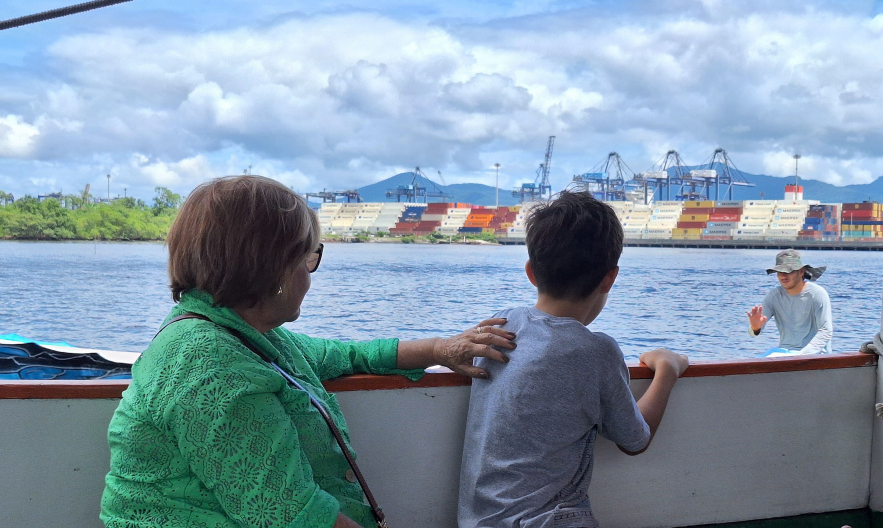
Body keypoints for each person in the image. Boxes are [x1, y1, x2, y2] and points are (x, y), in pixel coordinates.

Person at [100, 175, 517, 528]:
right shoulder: (209, 365)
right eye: (308, 258)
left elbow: (349, 356)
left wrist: (441, 348)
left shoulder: (249, 335)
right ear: (273, 267)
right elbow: (289, 515)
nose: (309, 274)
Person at [458, 190, 690, 528]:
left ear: (531, 272)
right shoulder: (595, 351)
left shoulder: (502, 323)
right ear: (609, 278)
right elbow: (635, 439)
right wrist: (668, 368)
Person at [747, 248, 833, 355]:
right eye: (780, 272)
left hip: (816, 356)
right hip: (784, 353)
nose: (783, 276)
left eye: (788, 271)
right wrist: (755, 328)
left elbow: (826, 331)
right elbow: (753, 332)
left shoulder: (817, 294)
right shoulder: (774, 296)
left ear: (801, 272)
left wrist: (801, 355)